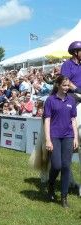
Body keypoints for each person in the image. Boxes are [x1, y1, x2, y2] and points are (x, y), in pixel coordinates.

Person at [44, 75, 78, 208]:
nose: (66, 88)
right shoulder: (50, 100)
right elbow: (47, 120)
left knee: (66, 166)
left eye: (68, 85)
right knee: (57, 166)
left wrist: (75, 137)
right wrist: (48, 139)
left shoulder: (71, 100)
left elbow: (74, 120)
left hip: (68, 136)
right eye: (64, 85)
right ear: (58, 85)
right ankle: (51, 184)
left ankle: (64, 197)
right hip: (54, 136)